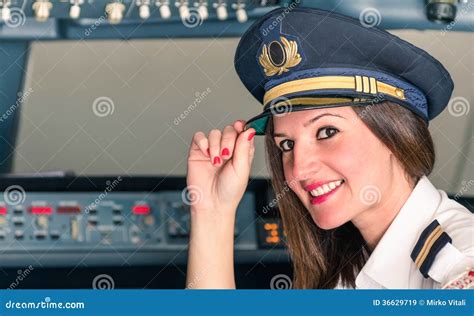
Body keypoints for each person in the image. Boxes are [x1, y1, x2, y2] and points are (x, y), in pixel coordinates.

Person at [186, 7, 473, 289]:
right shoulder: (351, 264)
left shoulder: (459, 267)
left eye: (327, 132)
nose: (298, 169)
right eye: (286, 144)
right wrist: (212, 212)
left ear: (395, 133)